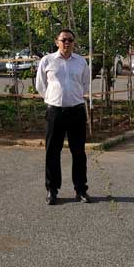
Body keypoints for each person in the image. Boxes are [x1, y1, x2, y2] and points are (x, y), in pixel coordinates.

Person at [35, 28, 92, 205]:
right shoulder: (47, 61)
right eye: (64, 40)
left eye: (70, 40)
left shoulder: (81, 62)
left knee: (79, 152)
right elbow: (41, 86)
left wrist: (73, 97)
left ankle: (81, 189)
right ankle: (52, 190)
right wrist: (53, 98)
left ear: (74, 43)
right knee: (52, 152)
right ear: (56, 42)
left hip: (76, 111)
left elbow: (85, 84)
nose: (67, 43)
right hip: (55, 112)